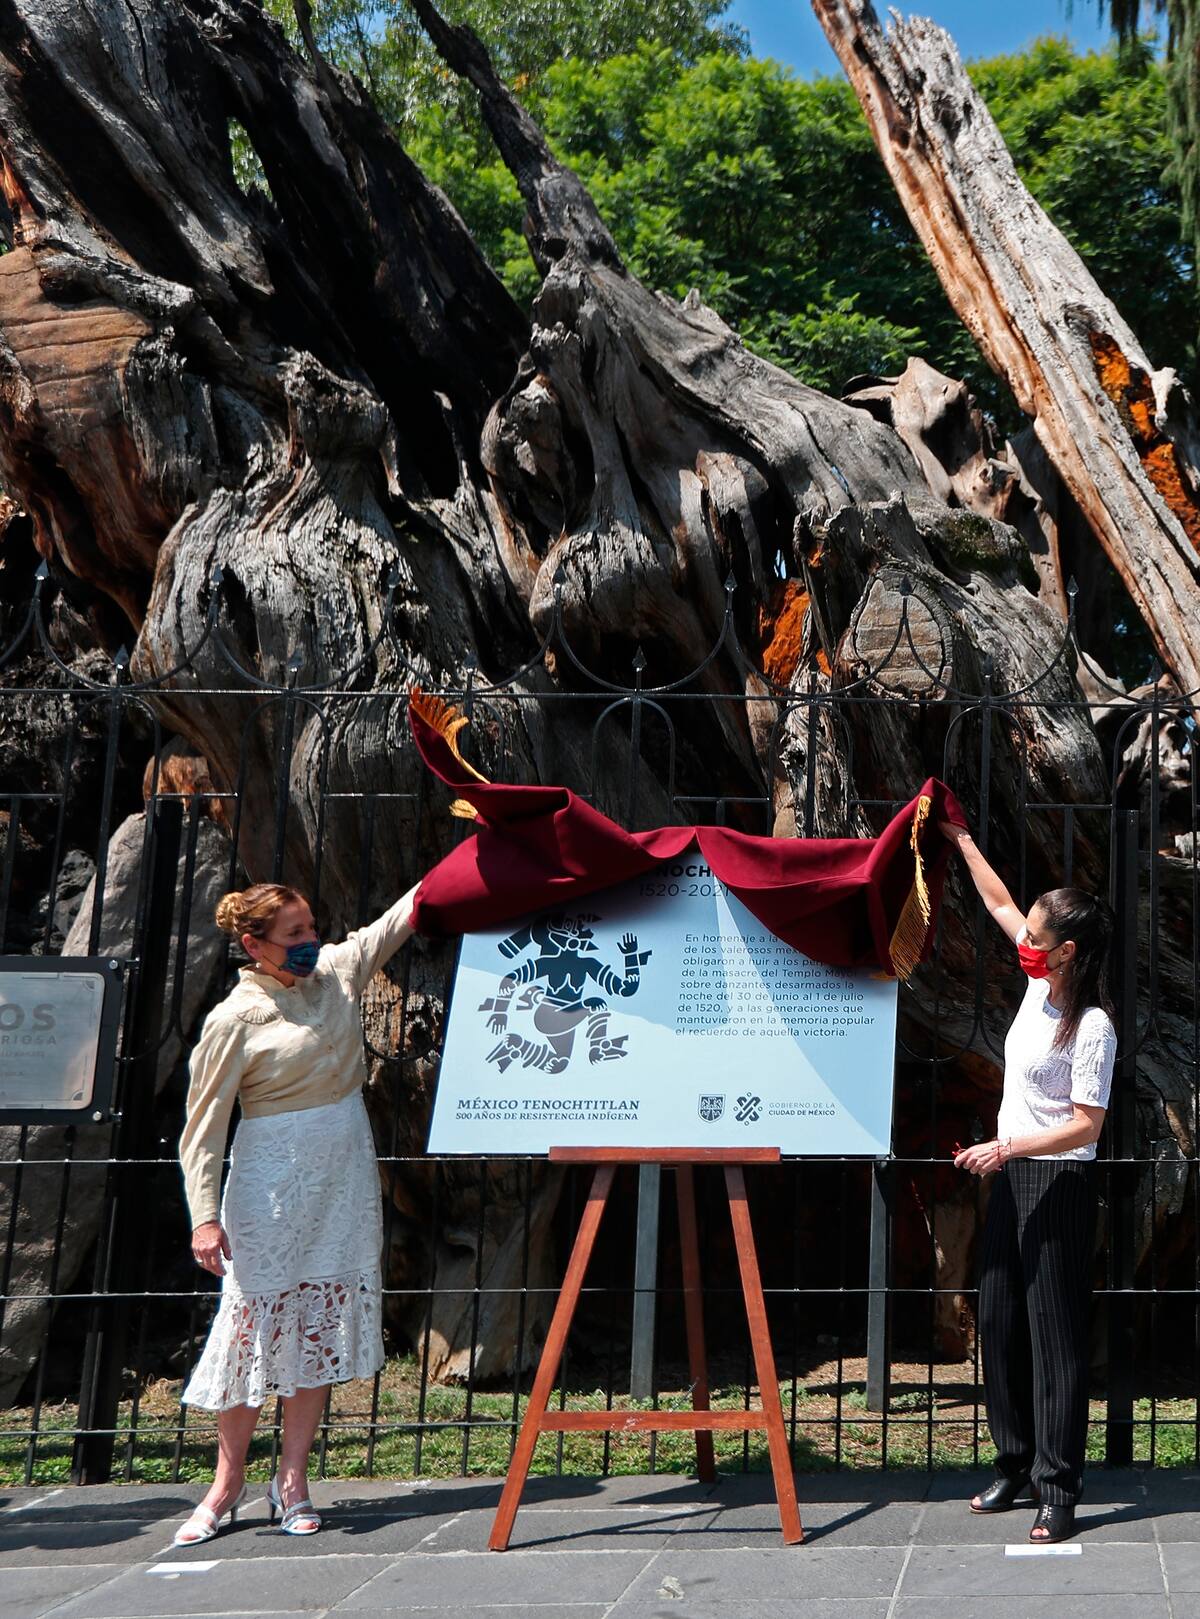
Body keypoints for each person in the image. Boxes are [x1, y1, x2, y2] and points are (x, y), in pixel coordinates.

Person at [172, 880, 419, 1546]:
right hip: (271, 1183)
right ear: (254, 945)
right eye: (293, 933)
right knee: (252, 1330)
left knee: (314, 1327)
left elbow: (404, 912)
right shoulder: (235, 1018)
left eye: (312, 925)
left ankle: (293, 1480)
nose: (310, 940)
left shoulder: (338, 969)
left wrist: (488, 830)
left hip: (341, 1175)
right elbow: (202, 1130)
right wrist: (203, 1216)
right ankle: (225, 1486)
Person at [940, 820, 1117, 1544]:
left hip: (1056, 1182)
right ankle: (1013, 1462)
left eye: (1037, 935)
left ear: (1066, 951)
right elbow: (999, 902)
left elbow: (1087, 1126)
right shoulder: (1038, 985)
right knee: (1000, 1320)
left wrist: (1007, 1147)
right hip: (1013, 1173)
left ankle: (1058, 1487)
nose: (1025, 939)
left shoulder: (1092, 1024)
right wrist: (959, 837)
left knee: (1055, 1338)